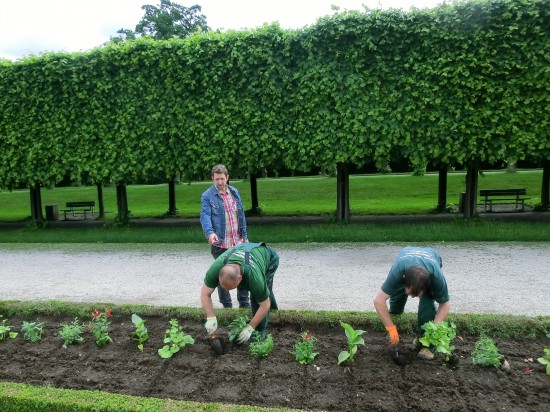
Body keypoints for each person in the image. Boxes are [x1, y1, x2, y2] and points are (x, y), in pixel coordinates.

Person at [373, 246, 450, 360]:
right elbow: (378, 300)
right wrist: (391, 328)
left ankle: (427, 345)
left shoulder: (436, 277)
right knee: (396, 295)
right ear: (404, 280)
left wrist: (433, 331)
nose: (413, 297)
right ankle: (395, 313)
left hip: (432, 260)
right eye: (410, 293)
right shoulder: (398, 271)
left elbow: (445, 304)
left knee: (427, 304)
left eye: (416, 295)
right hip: (406, 259)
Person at [201, 242, 279, 344]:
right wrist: (211, 317)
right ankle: (274, 313)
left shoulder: (254, 277)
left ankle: (259, 334)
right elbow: (205, 293)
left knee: (258, 298)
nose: (227, 291)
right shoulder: (216, 268)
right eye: (223, 287)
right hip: (246, 255)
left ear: (239, 278)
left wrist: (250, 327)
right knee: (262, 293)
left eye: (229, 287)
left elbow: (265, 305)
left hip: (269, 258)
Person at [200, 164, 250, 309]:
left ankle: (244, 305)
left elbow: (241, 216)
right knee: (225, 275)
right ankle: (227, 308)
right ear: (212, 179)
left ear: (227, 178)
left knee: (244, 271)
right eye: (217, 179)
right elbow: (205, 217)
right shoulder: (207, 196)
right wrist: (210, 233)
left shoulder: (235, 192)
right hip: (220, 245)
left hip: (239, 243)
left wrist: (245, 237)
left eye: (222, 179)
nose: (220, 182)